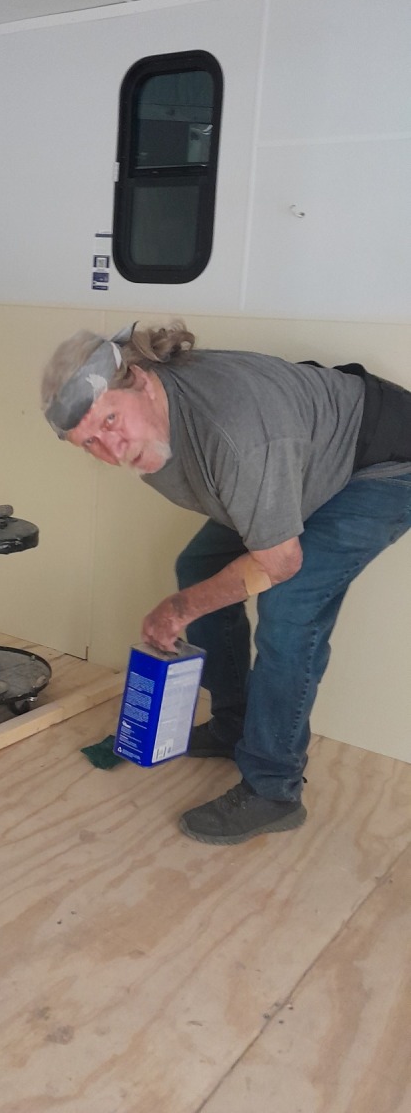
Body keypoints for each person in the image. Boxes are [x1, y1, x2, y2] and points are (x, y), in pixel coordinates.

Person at [41, 321, 411, 846]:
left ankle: (273, 789)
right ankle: (233, 723)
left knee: (290, 608)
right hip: (302, 461)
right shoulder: (158, 420)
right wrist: (193, 596)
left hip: (381, 463)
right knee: (199, 567)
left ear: (141, 381)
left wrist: (180, 609)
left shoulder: (235, 435)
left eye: (110, 419)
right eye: (90, 443)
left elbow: (280, 563)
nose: (110, 447)